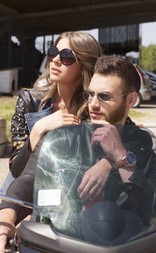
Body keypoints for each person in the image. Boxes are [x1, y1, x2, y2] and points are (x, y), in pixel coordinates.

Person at [0, 55, 156, 253]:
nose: (93, 104)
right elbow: (27, 181)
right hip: (58, 248)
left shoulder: (140, 144)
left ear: (131, 100)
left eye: (104, 96)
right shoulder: (62, 136)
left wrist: (120, 159)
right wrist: (5, 223)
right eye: (90, 94)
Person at [1, 30, 103, 190]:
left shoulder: (96, 106)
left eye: (67, 57)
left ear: (84, 65)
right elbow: (16, 169)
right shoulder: (29, 101)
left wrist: (106, 164)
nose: (55, 60)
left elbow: (126, 140)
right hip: (29, 183)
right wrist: (38, 129)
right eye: (53, 52)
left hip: (76, 188)